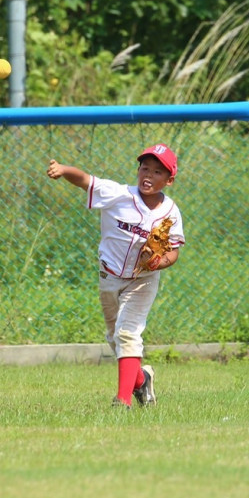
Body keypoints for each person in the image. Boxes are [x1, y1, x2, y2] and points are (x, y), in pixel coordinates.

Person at [46, 144, 185, 407]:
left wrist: (159, 262)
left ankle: (123, 401)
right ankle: (142, 381)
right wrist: (64, 170)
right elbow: (86, 180)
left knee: (127, 333)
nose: (149, 175)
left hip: (143, 280)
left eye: (158, 172)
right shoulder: (118, 194)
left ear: (170, 180)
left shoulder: (170, 212)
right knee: (115, 338)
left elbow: (174, 252)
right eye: (145, 168)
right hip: (109, 277)